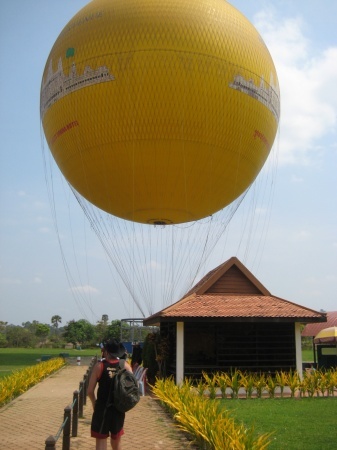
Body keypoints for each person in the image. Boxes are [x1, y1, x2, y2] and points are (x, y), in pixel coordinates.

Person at [88, 338, 133, 450]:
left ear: (106, 352)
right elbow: (132, 387)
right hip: (118, 409)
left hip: (102, 408)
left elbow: (89, 391)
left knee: (101, 441)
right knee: (116, 442)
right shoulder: (125, 366)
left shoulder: (100, 366)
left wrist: (94, 403)